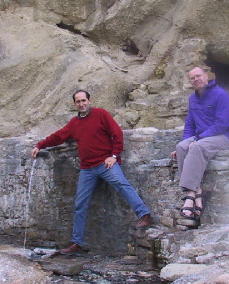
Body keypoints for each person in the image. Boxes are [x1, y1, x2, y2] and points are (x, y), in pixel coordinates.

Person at [31, 90, 152, 255]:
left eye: (84, 100)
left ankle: (144, 214)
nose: (81, 104)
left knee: (122, 184)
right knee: (80, 204)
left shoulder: (101, 114)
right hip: (87, 169)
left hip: (105, 163)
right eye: (78, 101)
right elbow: (59, 136)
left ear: (89, 100)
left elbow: (117, 134)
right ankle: (77, 243)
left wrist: (114, 156)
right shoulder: (74, 123)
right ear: (75, 104)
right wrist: (39, 145)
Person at [171, 67, 229, 222]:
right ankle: (197, 191)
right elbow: (190, 125)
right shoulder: (192, 99)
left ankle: (189, 195)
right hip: (203, 137)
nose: (196, 79)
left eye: (198, 76)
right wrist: (185, 141)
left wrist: (197, 139)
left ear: (206, 76)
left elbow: (222, 124)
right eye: (192, 78)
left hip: (224, 137)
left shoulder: (221, 95)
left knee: (197, 147)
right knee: (181, 148)